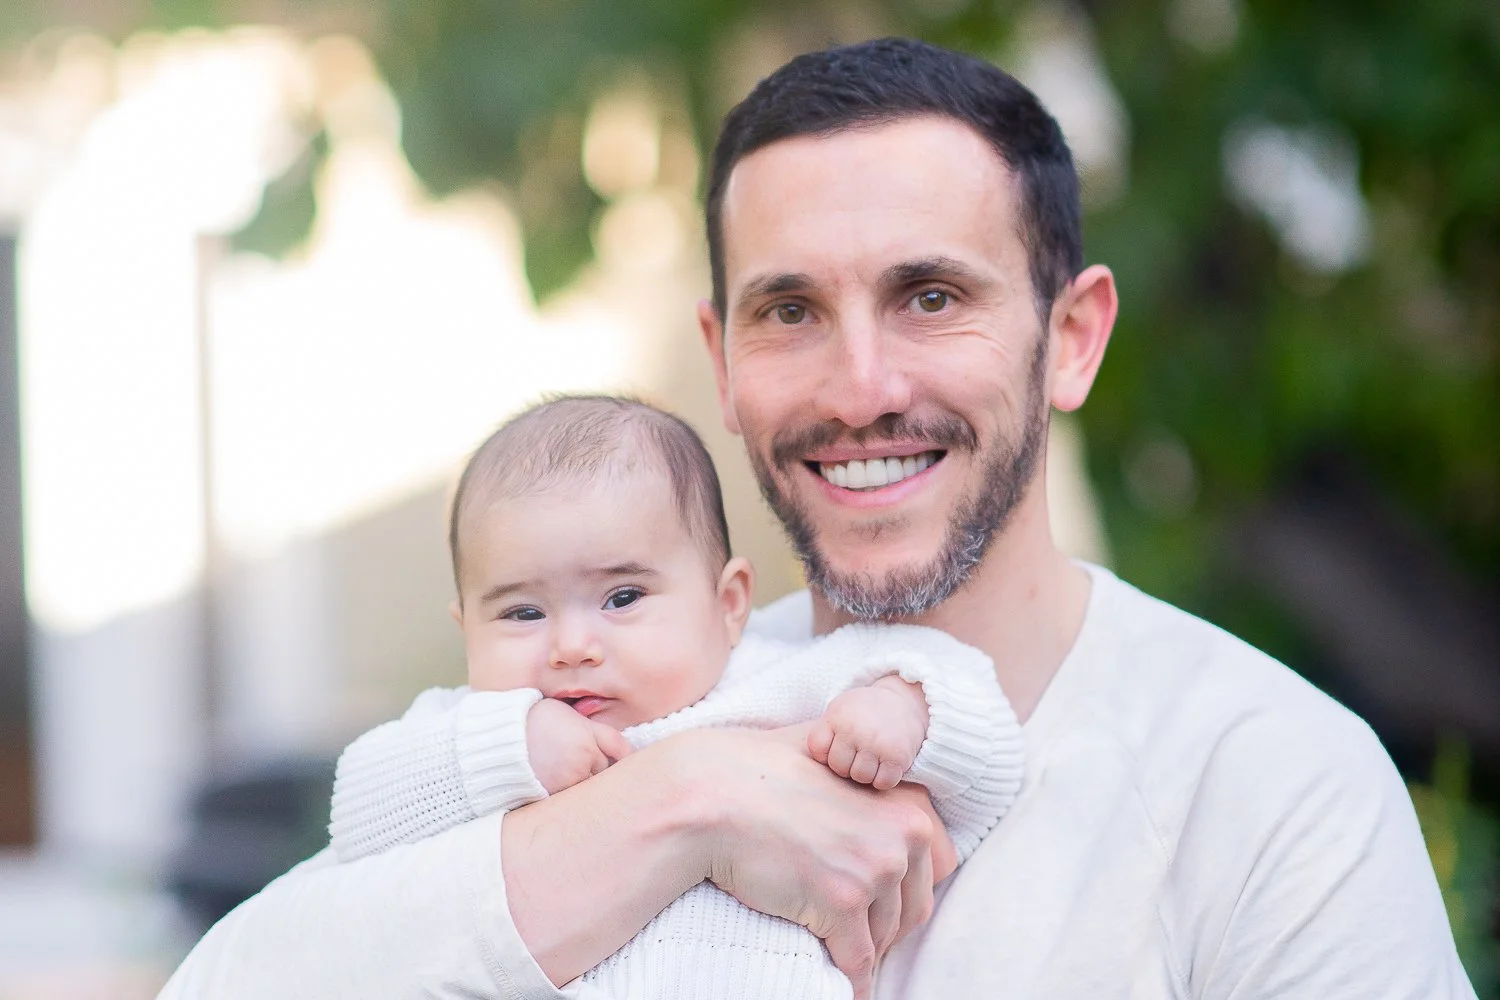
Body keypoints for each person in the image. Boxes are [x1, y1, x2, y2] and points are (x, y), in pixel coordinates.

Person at [158, 37, 1476, 1000]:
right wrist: (682, 801)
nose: (862, 388)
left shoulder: (1265, 780)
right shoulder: (628, 721)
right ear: (722, 360)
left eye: (931, 296)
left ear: (1070, 341)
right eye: (792, 311)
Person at [323, 394, 1022, 999]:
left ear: (727, 604)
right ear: (466, 627)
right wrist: (508, 748)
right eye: (522, 614)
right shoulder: (470, 726)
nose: (571, 645)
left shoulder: (774, 687)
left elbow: (980, 718)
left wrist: (904, 710)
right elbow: (357, 808)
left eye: (622, 598)